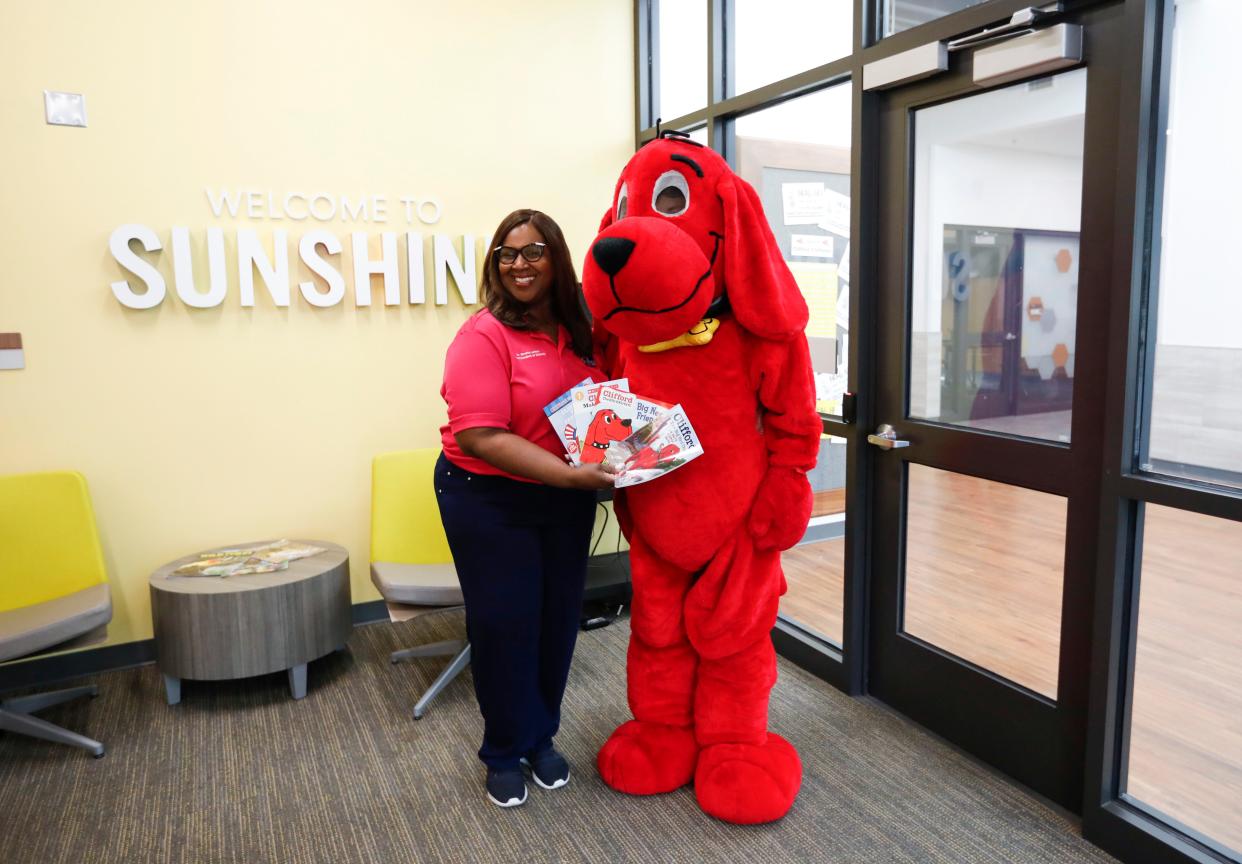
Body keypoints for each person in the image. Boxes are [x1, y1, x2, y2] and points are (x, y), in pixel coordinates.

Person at [435, 208, 615, 808]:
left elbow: (610, 403)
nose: (519, 264)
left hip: (564, 496)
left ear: (557, 259)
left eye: (533, 251)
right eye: (507, 254)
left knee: (557, 622)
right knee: (506, 625)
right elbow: (478, 436)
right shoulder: (483, 335)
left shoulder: (583, 328)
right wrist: (571, 476)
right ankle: (503, 750)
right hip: (488, 496)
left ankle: (542, 738)